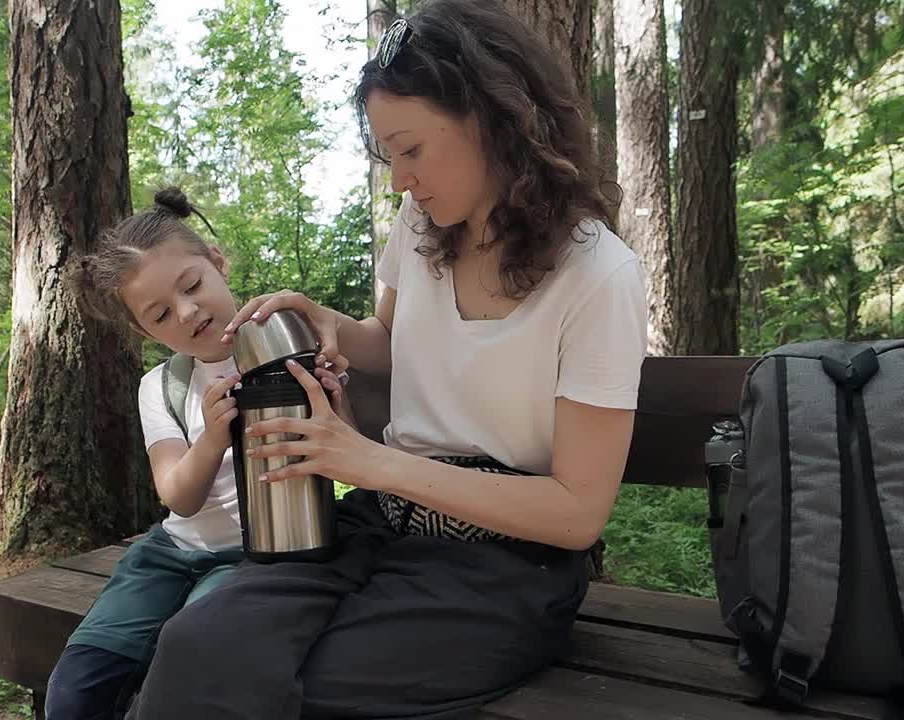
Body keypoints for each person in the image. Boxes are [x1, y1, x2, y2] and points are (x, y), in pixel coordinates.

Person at [131, 0, 650, 716]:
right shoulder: (423, 224)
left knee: (306, 687)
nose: (400, 180)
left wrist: (367, 460)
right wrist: (325, 321)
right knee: (197, 645)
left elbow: (577, 513)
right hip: (382, 524)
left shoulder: (599, 278)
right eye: (389, 155)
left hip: (504, 565)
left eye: (412, 149)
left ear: (493, 119)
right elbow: (387, 340)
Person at [46, 187, 352, 720]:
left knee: (183, 670)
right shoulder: (160, 386)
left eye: (192, 286)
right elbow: (178, 497)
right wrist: (212, 436)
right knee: (75, 688)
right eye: (160, 315)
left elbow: (351, 455)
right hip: (168, 553)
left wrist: (334, 400)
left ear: (217, 263)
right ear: (144, 331)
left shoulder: (288, 342)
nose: (187, 313)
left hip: (251, 558)